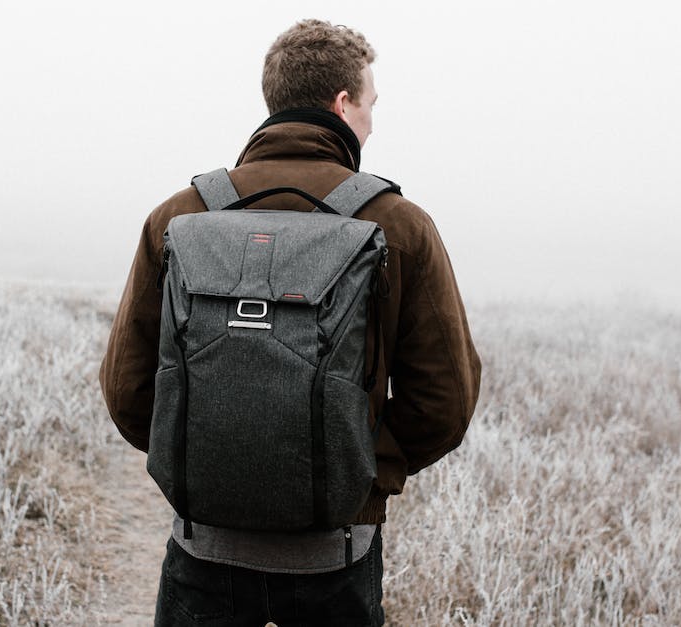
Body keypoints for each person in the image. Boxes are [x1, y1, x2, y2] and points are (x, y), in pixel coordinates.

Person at [99, 19, 481, 626]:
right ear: (342, 103)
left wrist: (205, 457)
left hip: (204, 551)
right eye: (371, 104)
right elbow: (445, 402)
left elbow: (126, 388)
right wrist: (359, 473)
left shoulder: (178, 216)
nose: (374, 122)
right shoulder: (400, 225)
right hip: (336, 558)